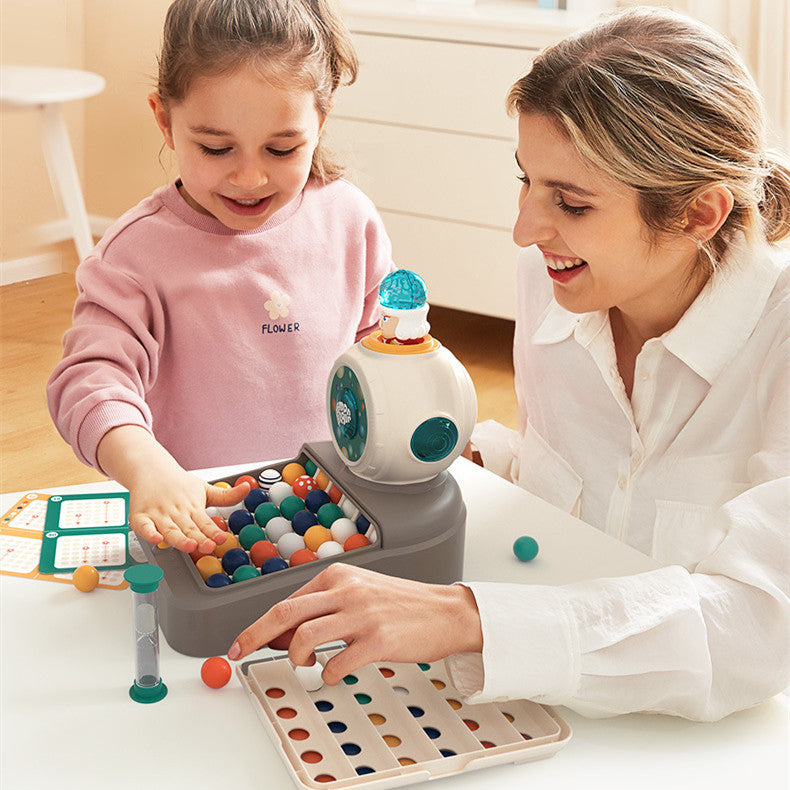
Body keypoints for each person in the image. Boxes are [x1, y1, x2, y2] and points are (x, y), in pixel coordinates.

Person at [227, 7, 790, 722]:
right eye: (527, 180)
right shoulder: (554, 280)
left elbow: (761, 628)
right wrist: (474, 453)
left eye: (572, 204)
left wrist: (472, 619)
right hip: (539, 707)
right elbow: (584, 474)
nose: (524, 230)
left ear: (699, 214)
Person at [47, 0, 394, 555]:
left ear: (320, 122)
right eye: (216, 147)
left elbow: (379, 351)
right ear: (165, 121)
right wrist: (146, 468)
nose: (250, 177)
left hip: (329, 521)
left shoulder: (350, 219)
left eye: (282, 148)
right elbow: (90, 379)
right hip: (201, 529)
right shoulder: (132, 256)